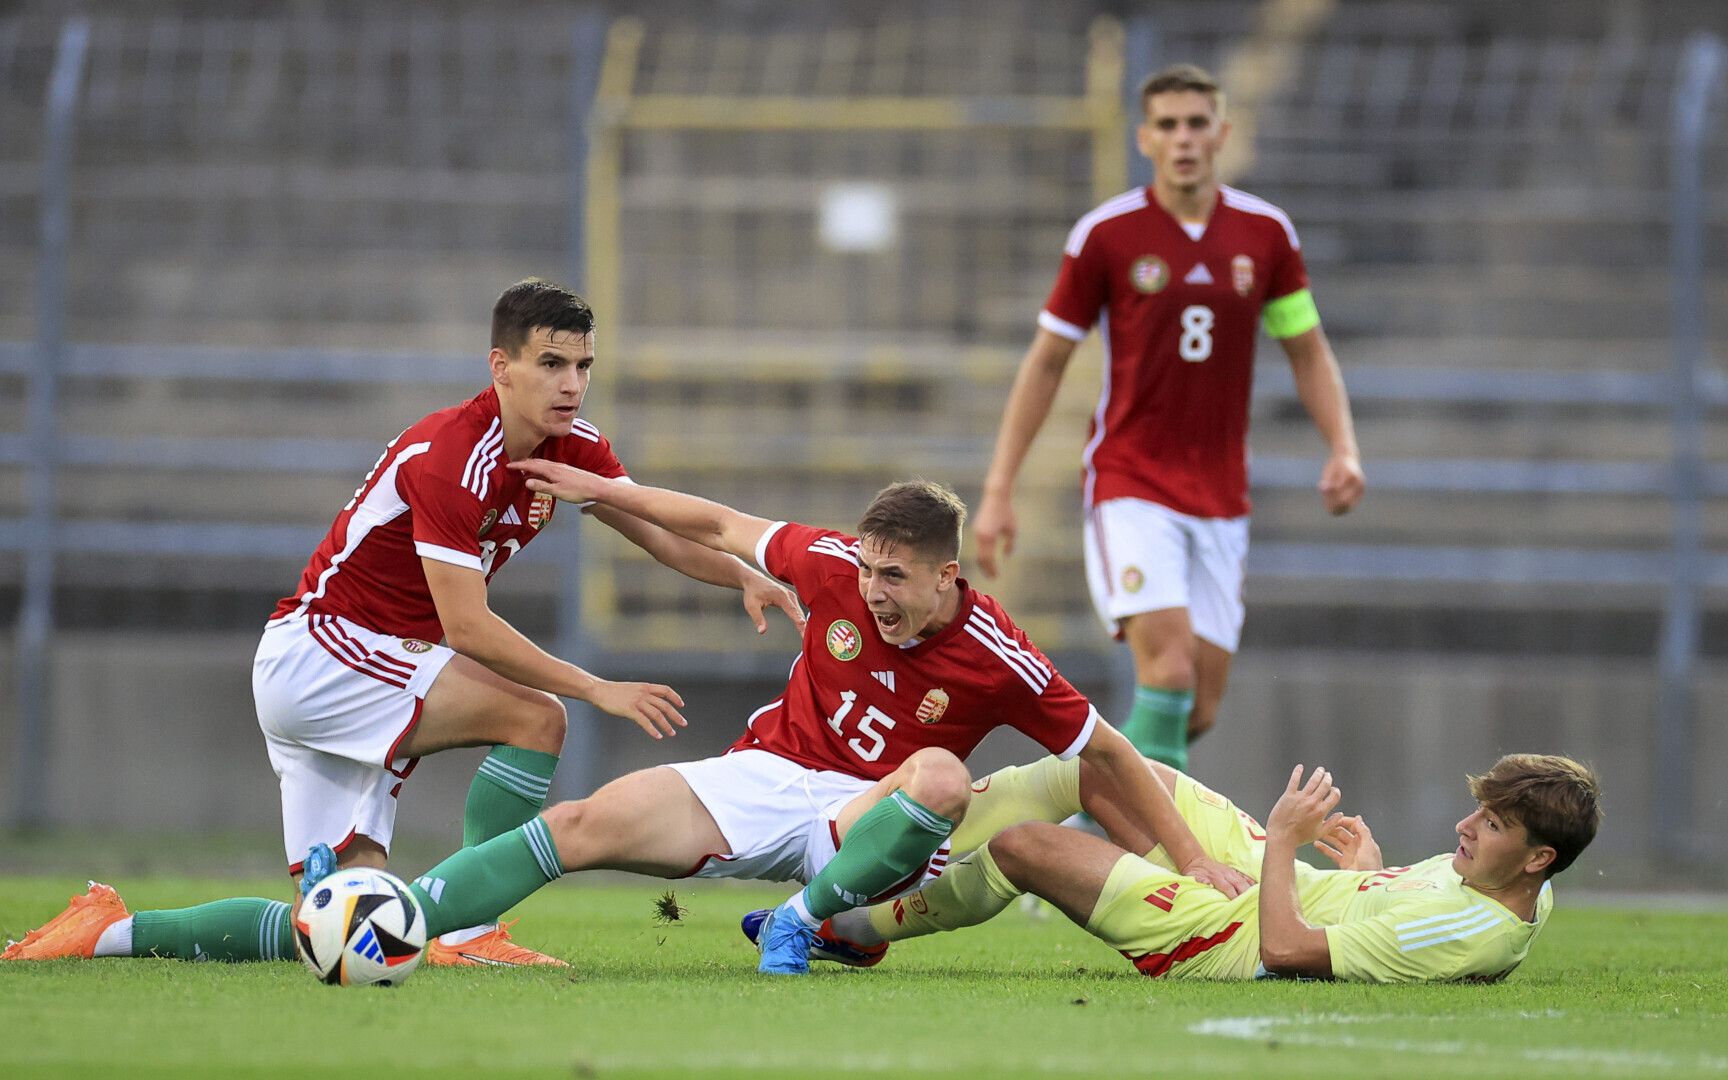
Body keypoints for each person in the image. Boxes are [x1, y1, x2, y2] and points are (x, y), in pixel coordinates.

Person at [3, 279, 804, 968]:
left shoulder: (575, 449)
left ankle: (107, 932)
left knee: (355, 927)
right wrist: (597, 687)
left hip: (359, 663)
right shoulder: (452, 456)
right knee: (538, 717)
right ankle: (478, 930)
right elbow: (465, 626)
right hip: (323, 653)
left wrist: (742, 575)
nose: (571, 384)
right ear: (502, 365)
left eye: (583, 365)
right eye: (551, 363)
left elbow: (653, 528)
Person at [271, 471, 1258, 976]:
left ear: (948, 577)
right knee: (579, 827)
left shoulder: (1000, 656)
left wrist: (1187, 855)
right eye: (868, 570)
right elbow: (714, 523)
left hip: (877, 819)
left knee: (944, 783)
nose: (873, 592)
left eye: (898, 579)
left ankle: (803, 922)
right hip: (767, 773)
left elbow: (1109, 753)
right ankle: (389, 923)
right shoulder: (829, 564)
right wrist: (605, 492)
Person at [972, 63, 1365, 772]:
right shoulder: (1107, 235)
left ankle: (1065, 837)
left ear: (1222, 132)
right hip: (1131, 482)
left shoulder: (1266, 236)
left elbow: (1307, 350)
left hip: (1221, 497)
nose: (1184, 139)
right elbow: (1046, 363)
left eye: (1197, 124)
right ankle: (1150, 873)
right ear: (1145, 138)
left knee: (1198, 709)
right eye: (1169, 126)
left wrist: (1343, 446)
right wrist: (1000, 488)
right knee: (1171, 671)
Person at [793, 752, 1600, 984]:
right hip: (1286, 885)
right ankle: (906, 831)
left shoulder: (1471, 929)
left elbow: (1286, 953)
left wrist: (1282, 843)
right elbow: (1392, 917)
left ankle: (849, 925)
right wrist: (1369, 870)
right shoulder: (1525, 881)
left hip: (1231, 938)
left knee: (1022, 851)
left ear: (1535, 856)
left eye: (1489, 824)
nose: (1465, 827)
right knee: (1109, 765)